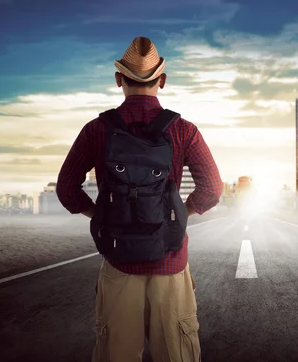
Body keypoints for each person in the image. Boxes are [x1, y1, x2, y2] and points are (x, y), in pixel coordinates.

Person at [56, 36, 223, 362]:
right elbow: (212, 187)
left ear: (119, 79)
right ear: (162, 80)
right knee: (176, 353)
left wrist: (101, 215)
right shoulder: (183, 130)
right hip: (170, 262)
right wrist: (178, 215)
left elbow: (66, 188)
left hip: (119, 262)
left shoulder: (97, 129)